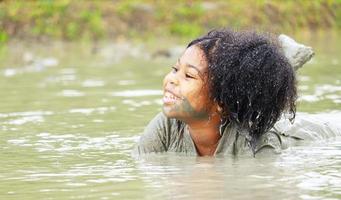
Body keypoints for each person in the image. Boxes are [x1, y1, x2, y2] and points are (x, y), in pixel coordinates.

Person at [132, 29, 327, 157]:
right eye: (175, 69)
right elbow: (139, 165)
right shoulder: (166, 127)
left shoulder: (256, 147)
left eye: (189, 76)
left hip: (318, 133)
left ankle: (285, 65)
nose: (172, 79)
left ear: (221, 102)